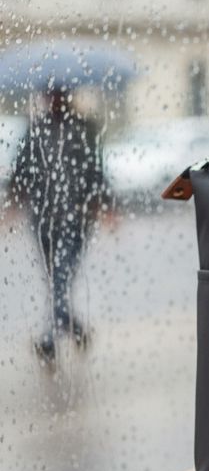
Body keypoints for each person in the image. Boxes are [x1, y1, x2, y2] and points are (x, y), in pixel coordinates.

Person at [9, 87, 112, 364]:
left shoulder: (84, 128)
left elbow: (96, 171)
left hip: (76, 219)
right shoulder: (35, 130)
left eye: (58, 94)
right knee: (56, 281)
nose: (53, 99)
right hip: (42, 220)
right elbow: (21, 171)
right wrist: (12, 206)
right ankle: (76, 329)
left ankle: (48, 341)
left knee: (61, 278)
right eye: (49, 94)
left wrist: (106, 206)